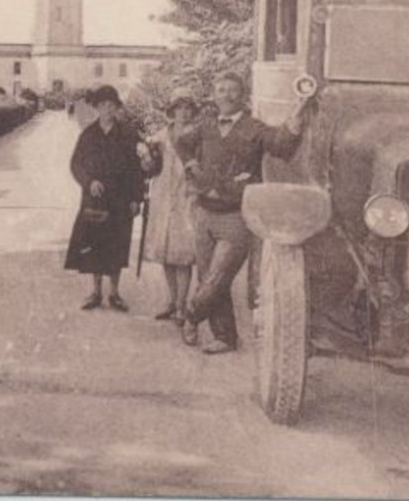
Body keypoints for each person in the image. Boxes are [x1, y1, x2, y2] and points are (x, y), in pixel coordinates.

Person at [181, 72, 312, 354]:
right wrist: (191, 165)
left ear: (242, 95)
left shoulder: (254, 128)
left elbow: (282, 144)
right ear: (213, 95)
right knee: (209, 277)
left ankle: (190, 316)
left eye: (232, 90)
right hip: (204, 214)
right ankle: (225, 337)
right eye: (221, 90)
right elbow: (181, 142)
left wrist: (299, 109)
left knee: (217, 277)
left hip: (237, 216)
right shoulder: (204, 127)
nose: (226, 95)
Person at [64, 85, 148, 311]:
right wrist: (89, 182)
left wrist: (136, 198)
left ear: (117, 109)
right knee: (94, 244)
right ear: (97, 108)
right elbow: (76, 164)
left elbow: (137, 169)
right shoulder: (88, 135)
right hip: (95, 199)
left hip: (120, 199)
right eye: (103, 106)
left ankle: (114, 293)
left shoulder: (128, 134)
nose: (107, 110)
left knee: (118, 244)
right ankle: (96, 292)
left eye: (112, 106)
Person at [141, 94, 201, 324]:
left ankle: (182, 306)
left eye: (188, 109)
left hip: (186, 196)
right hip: (163, 196)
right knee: (166, 251)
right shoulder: (161, 135)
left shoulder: (198, 136)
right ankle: (173, 301)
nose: (184, 113)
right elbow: (150, 165)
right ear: (172, 111)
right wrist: (146, 158)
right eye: (179, 108)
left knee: (183, 254)